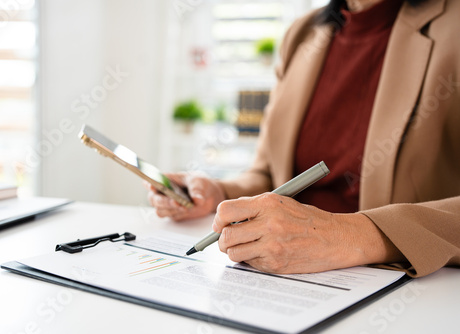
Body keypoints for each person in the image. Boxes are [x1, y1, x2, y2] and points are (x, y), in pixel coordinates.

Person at [147, 0, 460, 278]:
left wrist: (350, 236)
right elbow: (269, 173)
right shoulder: (303, 34)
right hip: (284, 277)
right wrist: (220, 192)